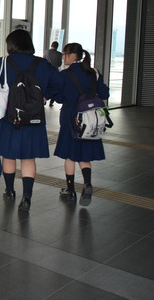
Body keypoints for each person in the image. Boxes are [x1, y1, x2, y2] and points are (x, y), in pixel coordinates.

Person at [0, 29, 61, 212]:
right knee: (28, 158)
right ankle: (27, 197)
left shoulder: (3, 62)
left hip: (8, 118)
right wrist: (45, 96)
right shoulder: (42, 64)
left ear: (11, 44)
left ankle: (10, 190)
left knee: (9, 155)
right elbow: (59, 81)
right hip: (33, 117)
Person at [54, 43, 109, 206]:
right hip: (90, 119)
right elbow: (105, 93)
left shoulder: (65, 74)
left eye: (64, 54)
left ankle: (70, 191)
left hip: (71, 118)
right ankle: (88, 183)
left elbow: (58, 98)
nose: (63, 57)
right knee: (84, 155)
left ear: (72, 55)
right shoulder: (94, 73)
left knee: (70, 156)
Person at [43, 41, 63, 106]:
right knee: (54, 86)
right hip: (55, 72)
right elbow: (59, 64)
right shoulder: (59, 54)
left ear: (51, 45)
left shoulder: (46, 52)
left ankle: (44, 100)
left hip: (46, 72)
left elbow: (43, 61)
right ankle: (51, 102)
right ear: (57, 46)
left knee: (46, 85)